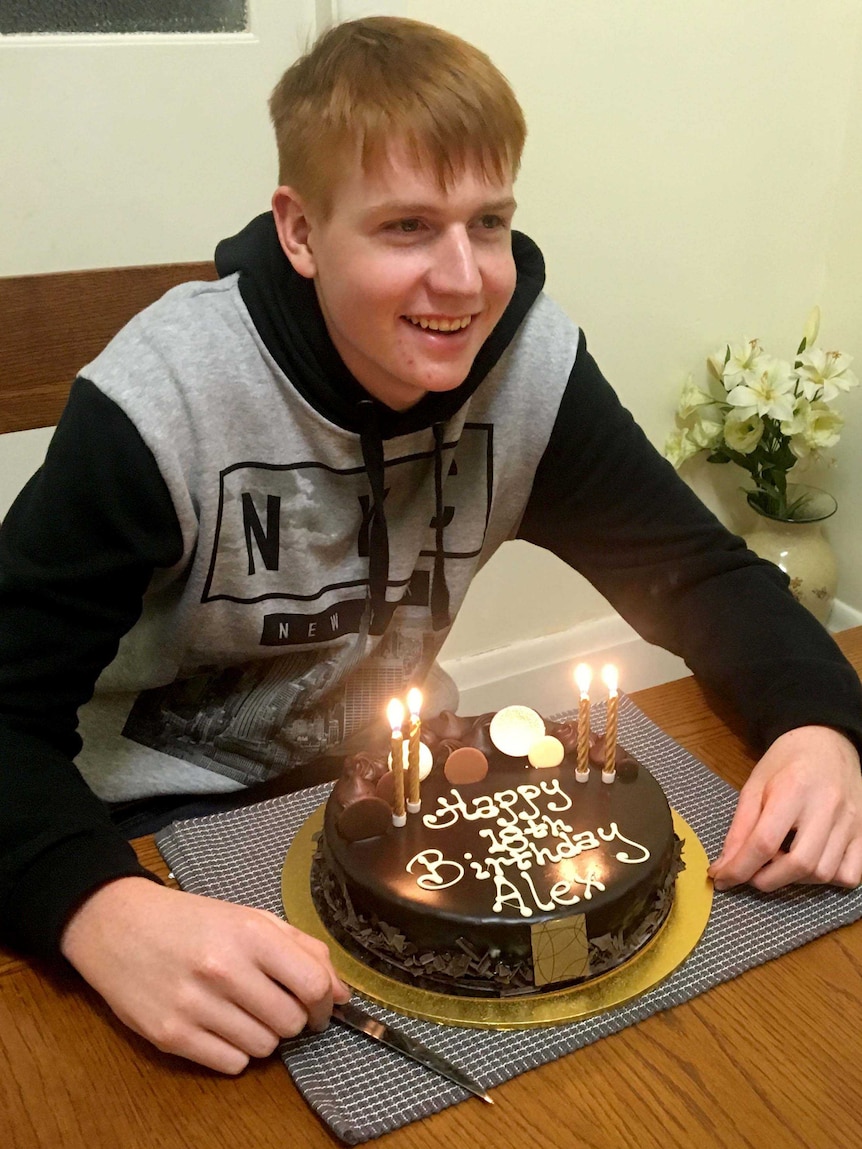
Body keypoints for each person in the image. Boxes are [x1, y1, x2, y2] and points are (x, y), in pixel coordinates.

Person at [2, 16, 861, 1075]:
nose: (464, 281)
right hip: (139, 831)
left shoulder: (528, 371)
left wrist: (820, 724)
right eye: (407, 226)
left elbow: (696, 572)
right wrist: (96, 907)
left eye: (489, 222)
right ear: (301, 231)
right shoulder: (163, 400)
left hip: (399, 805)